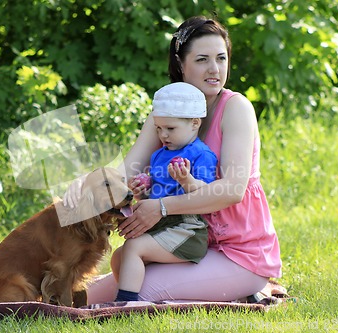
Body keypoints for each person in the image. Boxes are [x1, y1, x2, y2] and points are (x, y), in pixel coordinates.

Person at [65, 15, 282, 303]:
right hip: (180, 242)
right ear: (181, 64)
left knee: (138, 292)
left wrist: (162, 207)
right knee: (80, 298)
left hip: (238, 252)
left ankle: (248, 286)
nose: (215, 69)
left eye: (221, 58)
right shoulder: (166, 113)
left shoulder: (235, 107)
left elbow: (232, 190)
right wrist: (86, 186)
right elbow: (128, 172)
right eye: (202, 59)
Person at [112, 82, 217, 302]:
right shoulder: (160, 155)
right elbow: (156, 197)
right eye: (159, 128)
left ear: (195, 123)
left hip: (187, 229)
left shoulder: (201, 154)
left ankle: (125, 304)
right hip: (161, 224)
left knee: (133, 247)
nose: (163, 135)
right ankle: (136, 294)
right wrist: (143, 191)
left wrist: (186, 179)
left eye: (170, 128)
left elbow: (205, 193)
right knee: (118, 257)